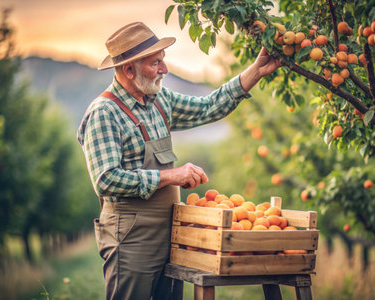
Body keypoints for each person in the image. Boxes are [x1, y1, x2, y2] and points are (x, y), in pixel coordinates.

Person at [77, 22, 280, 300]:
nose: (164, 69)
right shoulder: (105, 113)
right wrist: (171, 176)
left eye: (163, 61)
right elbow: (106, 180)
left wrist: (256, 70)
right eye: (155, 63)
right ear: (128, 70)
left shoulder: (159, 100)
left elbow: (209, 107)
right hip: (131, 237)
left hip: (172, 232)